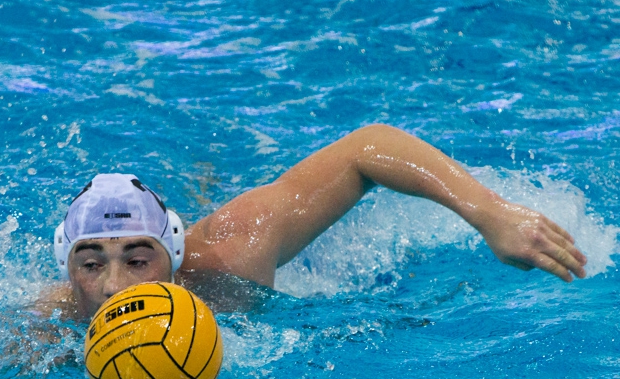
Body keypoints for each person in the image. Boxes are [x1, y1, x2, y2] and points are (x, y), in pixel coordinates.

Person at [42, 124, 587, 322]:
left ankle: (208, 175)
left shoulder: (234, 254)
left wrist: (492, 214)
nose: (114, 287)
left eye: (138, 259)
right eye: (91, 264)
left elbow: (366, 148)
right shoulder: (46, 325)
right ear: (68, 268)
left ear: (175, 254)